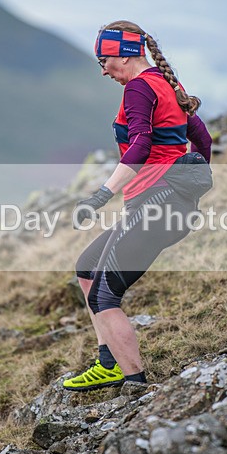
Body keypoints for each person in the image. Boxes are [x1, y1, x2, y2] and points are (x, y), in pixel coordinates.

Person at [63, 20, 213, 391]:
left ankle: (134, 384)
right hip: (168, 204)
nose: (103, 70)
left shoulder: (139, 88)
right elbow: (203, 138)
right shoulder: (168, 85)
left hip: (155, 204)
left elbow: (141, 146)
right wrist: (192, 183)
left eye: (104, 60)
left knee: (103, 294)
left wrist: (101, 195)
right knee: (86, 269)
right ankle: (108, 363)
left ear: (123, 54)